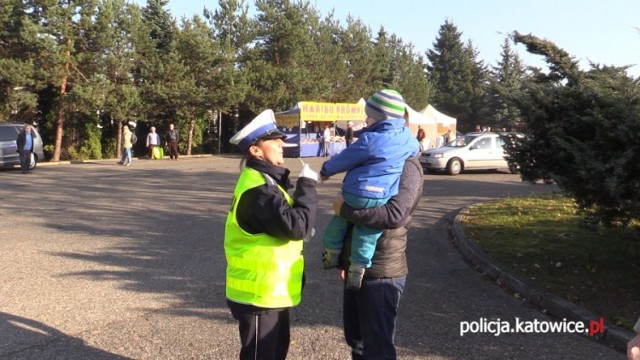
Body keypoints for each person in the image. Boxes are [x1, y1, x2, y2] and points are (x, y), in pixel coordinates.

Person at [224, 109, 318, 360]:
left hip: (270, 294)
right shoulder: (260, 190)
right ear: (255, 150)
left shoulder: (266, 182)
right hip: (258, 297)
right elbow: (298, 227)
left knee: (275, 353)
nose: (281, 143)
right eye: (273, 140)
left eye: (280, 139)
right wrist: (307, 187)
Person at [320, 89, 420, 290]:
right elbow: (417, 149)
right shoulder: (408, 140)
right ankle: (358, 265)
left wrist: (325, 170)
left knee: (340, 219)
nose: (366, 120)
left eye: (369, 116)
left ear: (379, 118)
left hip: (355, 193)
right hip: (380, 197)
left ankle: (331, 251)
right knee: (367, 233)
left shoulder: (370, 139)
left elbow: (345, 158)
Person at [335, 154, 423, 359]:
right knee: (357, 341)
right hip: (355, 267)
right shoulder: (370, 158)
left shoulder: (408, 165)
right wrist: (344, 259)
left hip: (382, 274)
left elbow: (394, 215)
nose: (368, 127)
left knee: (378, 347)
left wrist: (344, 209)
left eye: (374, 122)